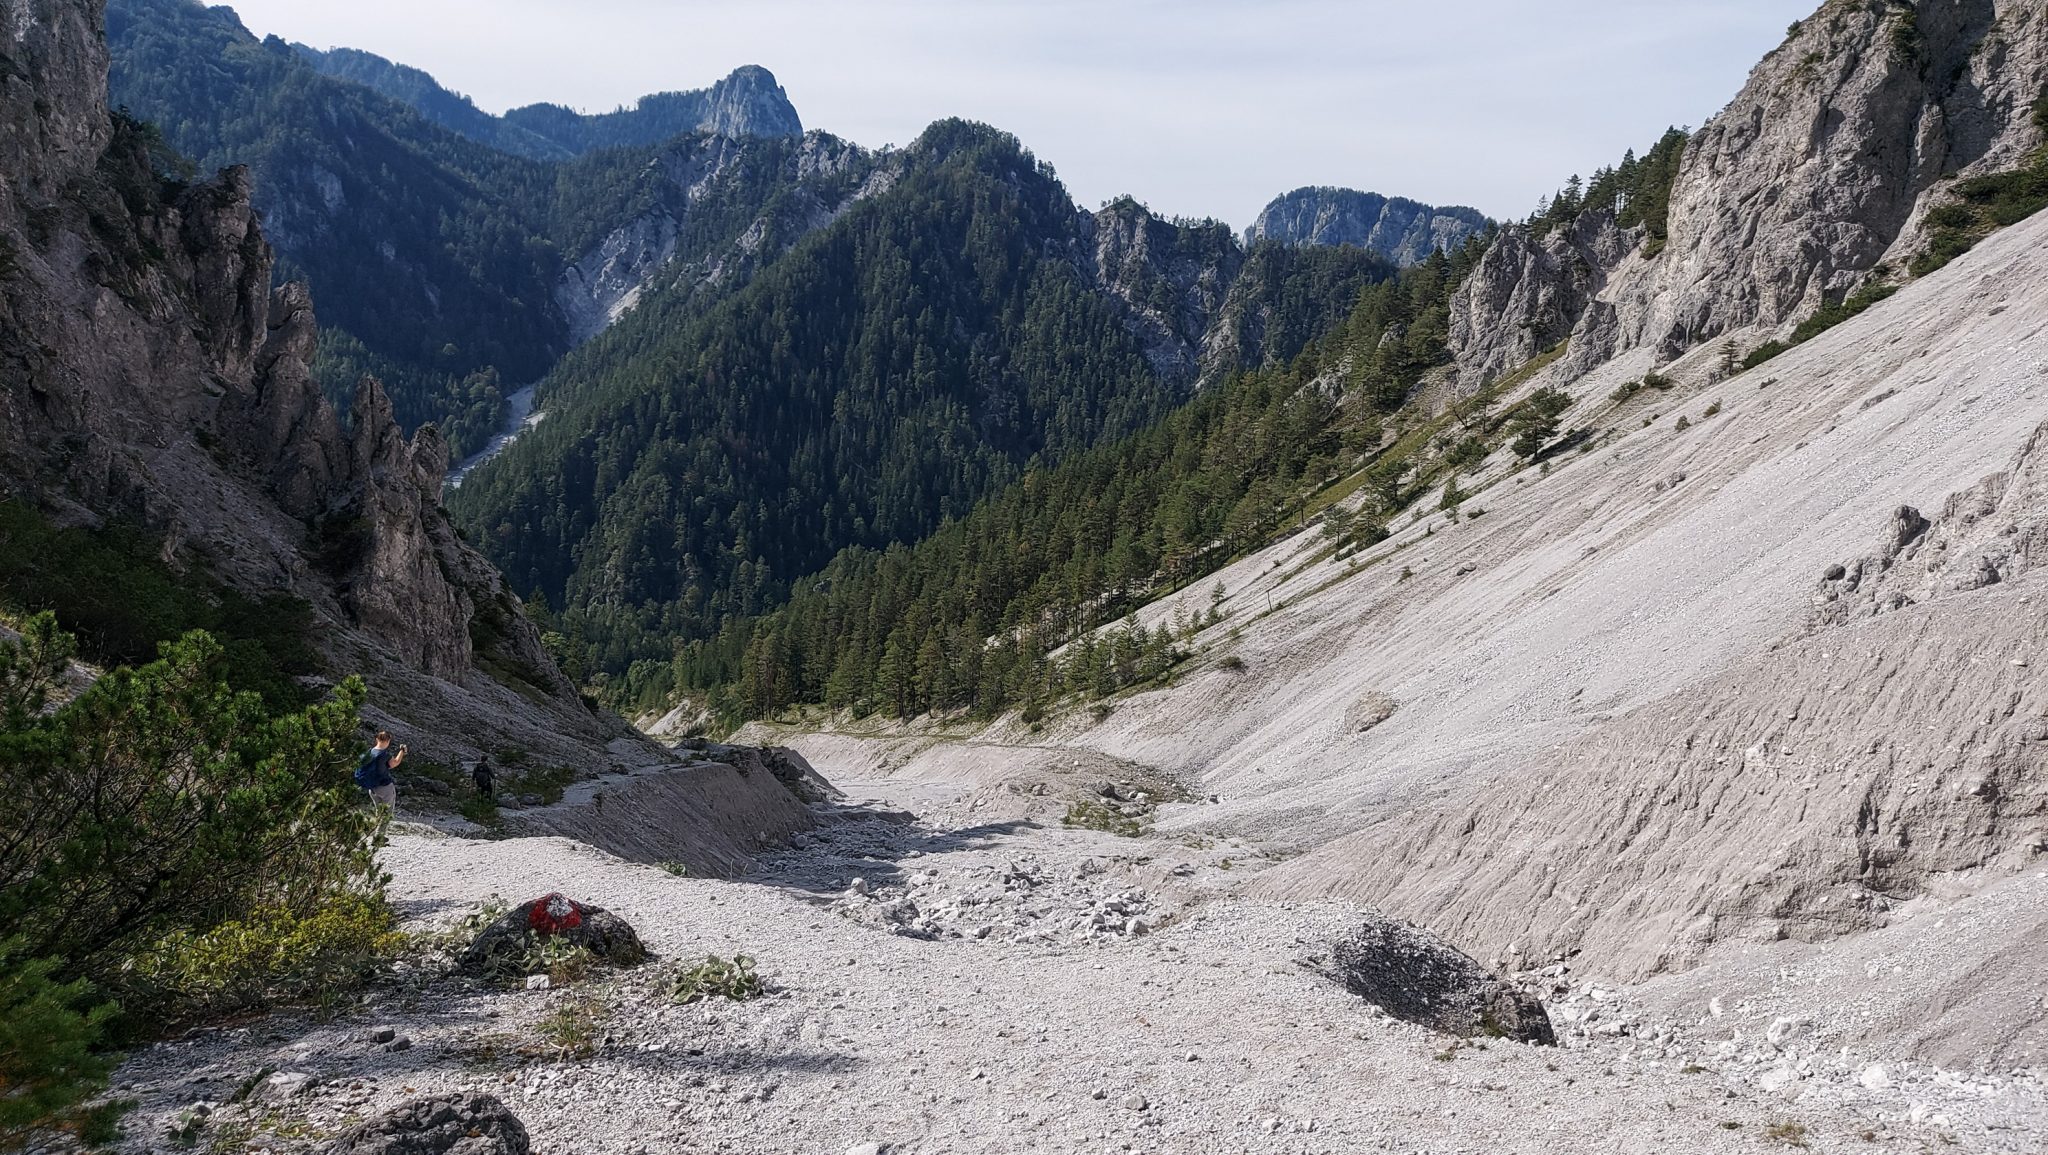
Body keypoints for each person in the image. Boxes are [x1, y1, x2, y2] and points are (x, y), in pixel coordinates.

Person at [353, 730, 406, 808]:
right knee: (387, 811)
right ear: (388, 741)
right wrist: (402, 751)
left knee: (378, 810)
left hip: (372, 786)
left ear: (377, 739)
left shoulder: (369, 752)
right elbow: (395, 763)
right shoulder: (384, 754)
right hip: (384, 786)